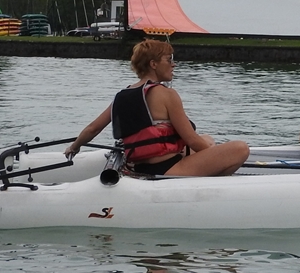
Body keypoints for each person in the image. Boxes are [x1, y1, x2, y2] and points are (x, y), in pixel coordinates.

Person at [64, 38, 248, 177]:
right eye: (168, 60)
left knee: (208, 139)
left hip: (139, 165)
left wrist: (74, 147)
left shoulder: (123, 95)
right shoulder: (167, 94)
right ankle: (209, 186)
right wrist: (216, 159)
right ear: (153, 64)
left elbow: (93, 128)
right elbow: (192, 140)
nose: (173, 64)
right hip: (166, 169)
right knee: (240, 148)